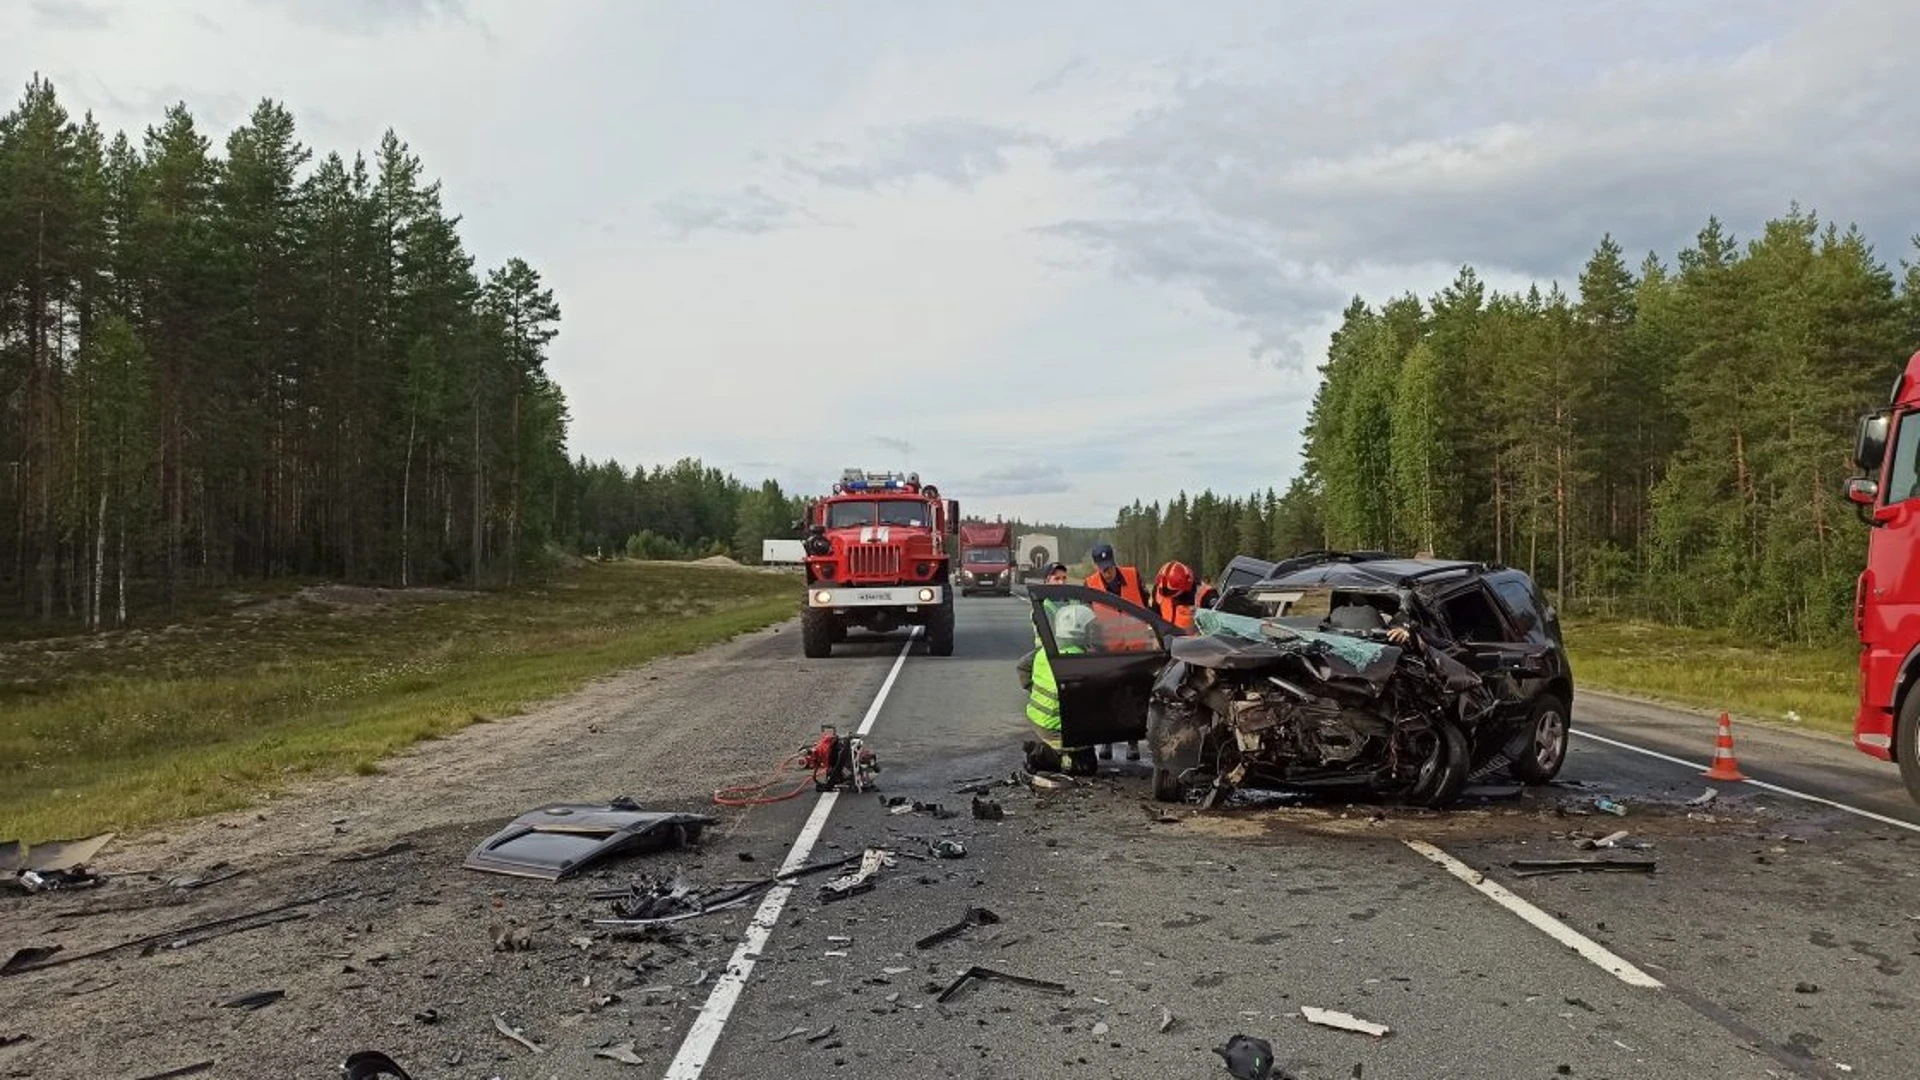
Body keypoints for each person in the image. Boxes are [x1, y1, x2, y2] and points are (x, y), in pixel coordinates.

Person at [1022, 595, 1100, 775]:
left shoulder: (1046, 652)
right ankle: (1043, 756)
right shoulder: (1077, 660)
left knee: (1087, 755)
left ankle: (1055, 751)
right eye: (1091, 629)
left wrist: (1034, 691)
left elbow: (1022, 668)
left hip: (1039, 720)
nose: (1095, 633)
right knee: (1086, 766)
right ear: (1079, 631)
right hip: (1058, 728)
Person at [1083, 543, 1147, 762]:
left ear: (1114, 561)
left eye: (1109, 566)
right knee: (1108, 697)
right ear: (1096, 566)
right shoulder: (1090, 584)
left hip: (1136, 649)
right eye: (1102, 568)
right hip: (1107, 651)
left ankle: (1132, 742)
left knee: (1133, 696)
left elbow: (1146, 606)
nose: (1107, 571)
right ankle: (1107, 742)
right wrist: (1092, 647)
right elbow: (1087, 618)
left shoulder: (1133, 576)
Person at [1153, 560, 1201, 631]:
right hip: (1167, 639)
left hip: (1194, 641)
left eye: (1171, 591)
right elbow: (1155, 616)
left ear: (1186, 586)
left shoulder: (1204, 594)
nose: (1168, 595)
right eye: (1165, 591)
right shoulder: (1159, 590)